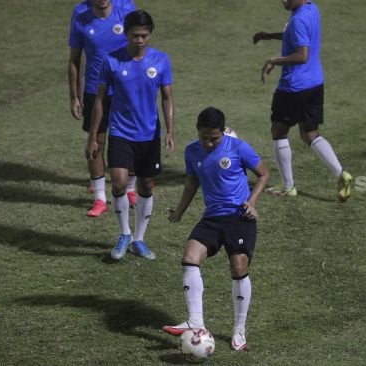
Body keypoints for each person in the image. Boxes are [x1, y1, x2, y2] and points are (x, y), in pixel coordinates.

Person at [162, 107, 269, 351]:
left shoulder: (238, 147)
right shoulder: (192, 151)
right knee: (190, 257)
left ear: (223, 132)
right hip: (211, 218)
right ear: (198, 132)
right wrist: (180, 211)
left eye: (214, 138)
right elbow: (192, 181)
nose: (209, 143)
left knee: (239, 266)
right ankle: (195, 320)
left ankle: (239, 331)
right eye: (204, 138)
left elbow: (263, 174)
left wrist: (252, 202)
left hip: (239, 217)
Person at [85, 9, 175, 260]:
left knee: (146, 184)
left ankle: (139, 239)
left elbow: (167, 98)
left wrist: (170, 131)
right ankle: (124, 233)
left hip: (148, 135)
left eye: (144, 36)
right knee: (120, 183)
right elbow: (100, 100)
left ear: (150, 35)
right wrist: (93, 136)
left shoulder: (161, 61)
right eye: (135, 35)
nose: (140, 40)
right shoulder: (111, 61)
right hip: (121, 132)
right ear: (125, 34)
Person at [253, 0, 352, 202]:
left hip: (294, 88)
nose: (283, 0)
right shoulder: (311, 8)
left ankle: (288, 186)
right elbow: (297, 39)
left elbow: (302, 54)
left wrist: (273, 61)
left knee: (279, 131)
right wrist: (269, 36)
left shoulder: (298, 19)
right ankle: (341, 174)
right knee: (310, 133)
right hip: (315, 84)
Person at [68, 0, 137, 217]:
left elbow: (138, 49)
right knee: (96, 140)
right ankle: (99, 198)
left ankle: (132, 189)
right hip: (94, 91)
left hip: (125, 88)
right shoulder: (80, 16)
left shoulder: (126, 11)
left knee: (131, 138)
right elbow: (74, 60)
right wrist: (74, 96)